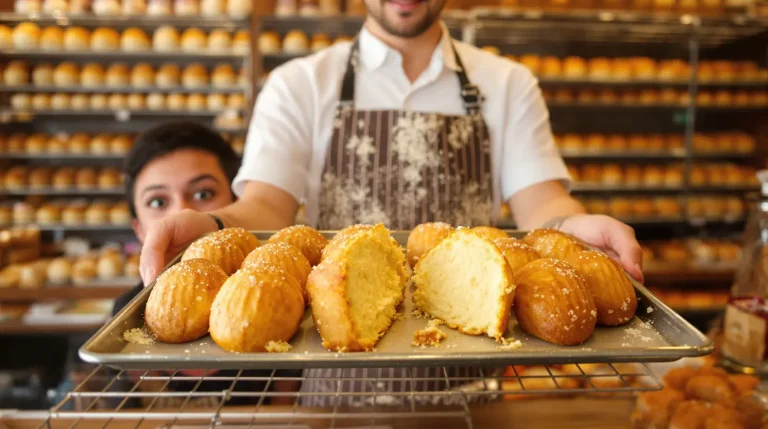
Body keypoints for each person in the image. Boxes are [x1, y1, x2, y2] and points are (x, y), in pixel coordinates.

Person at [138, 0, 644, 407]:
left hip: (471, 379)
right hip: (338, 385)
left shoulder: (507, 85)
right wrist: (212, 224)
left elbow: (542, 203)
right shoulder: (299, 85)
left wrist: (575, 229)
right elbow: (267, 207)